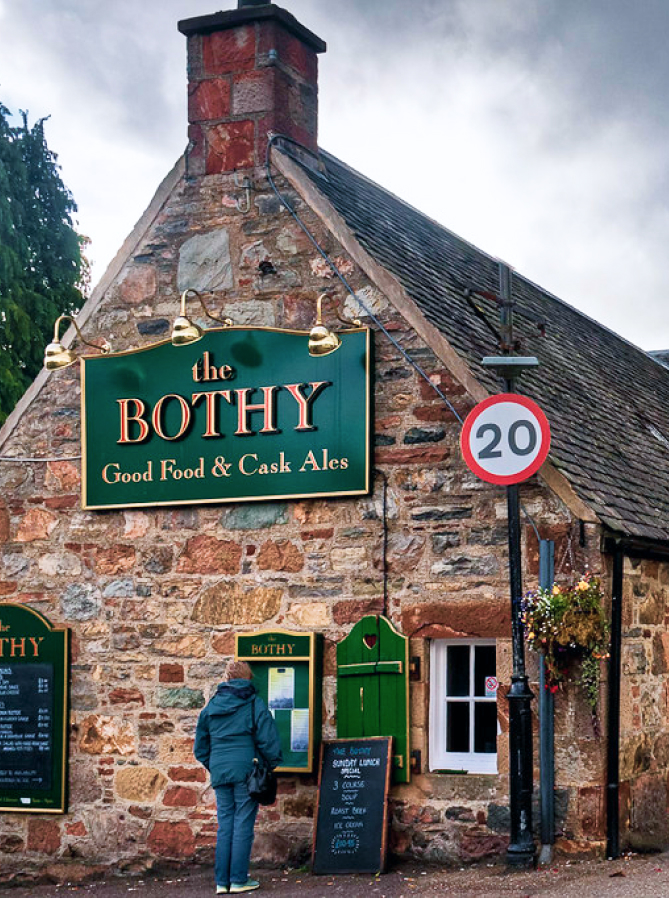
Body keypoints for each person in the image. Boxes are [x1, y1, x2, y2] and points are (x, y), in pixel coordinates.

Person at [194, 660, 283, 894]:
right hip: (246, 769)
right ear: (248, 678)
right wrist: (269, 765)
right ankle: (239, 880)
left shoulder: (211, 706)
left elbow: (200, 748)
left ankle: (222, 882)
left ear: (226, 678)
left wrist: (215, 765)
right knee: (242, 824)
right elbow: (268, 740)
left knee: (225, 825)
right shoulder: (254, 703)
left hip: (221, 771)